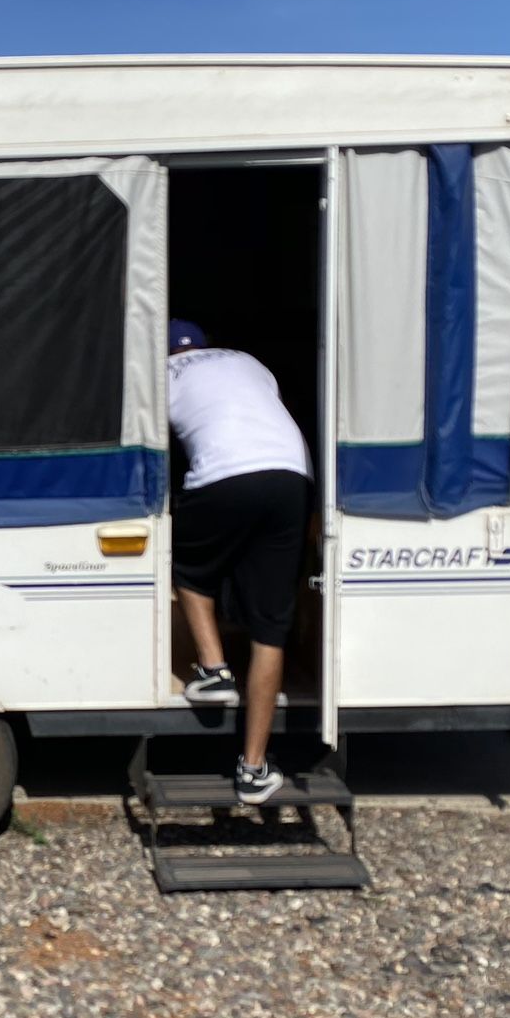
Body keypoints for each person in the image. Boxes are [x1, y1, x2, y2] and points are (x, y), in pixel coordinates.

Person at [166, 319, 312, 805]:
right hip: (291, 475)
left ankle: (212, 668)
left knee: (185, 563)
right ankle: (253, 769)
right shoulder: (247, 362)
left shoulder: (163, 374)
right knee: (270, 628)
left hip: (225, 475)